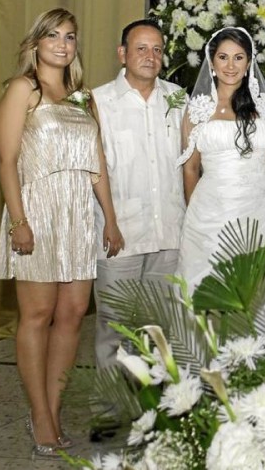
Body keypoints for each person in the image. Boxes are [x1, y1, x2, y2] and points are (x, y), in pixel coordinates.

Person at [0, 8, 123, 457]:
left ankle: (50, 408)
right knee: (37, 314)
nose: (62, 44)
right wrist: (19, 220)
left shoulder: (83, 97)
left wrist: (109, 217)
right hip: (37, 210)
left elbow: (98, 165)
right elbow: (7, 159)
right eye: (53, 35)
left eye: (70, 36)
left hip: (78, 214)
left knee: (72, 314)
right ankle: (41, 416)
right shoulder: (23, 89)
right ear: (36, 41)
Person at [91, 19, 186, 372]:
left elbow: (190, 163)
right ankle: (113, 418)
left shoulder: (178, 98)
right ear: (122, 54)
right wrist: (109, 222)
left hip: (169, 234)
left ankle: (155, 418)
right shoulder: (99, 102)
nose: (150, 56)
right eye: (141, 48)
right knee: (114, 330)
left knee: (162, 331)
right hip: (120, 236)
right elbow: (93, 168)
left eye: (158, 49)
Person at [177, 27, 265, 288]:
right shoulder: (197, 110)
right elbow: (190, 169)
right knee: (210, 287)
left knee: (261, 288)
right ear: (212, 62)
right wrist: (197, 214)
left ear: (249, 63)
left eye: (238, 57)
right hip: (210, 212)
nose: (231, 65)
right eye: (223, 57)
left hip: (260, 210)